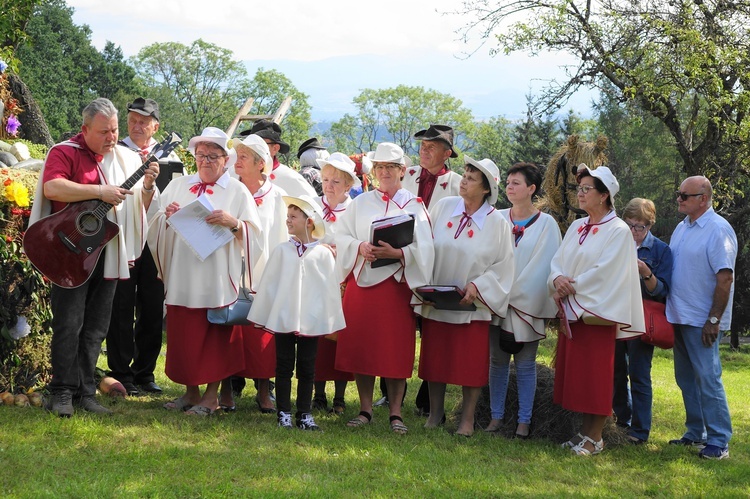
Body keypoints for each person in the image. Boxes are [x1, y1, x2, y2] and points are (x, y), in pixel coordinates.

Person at [29, 97, 159, 416]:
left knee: (96, 327)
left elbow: (135, 210)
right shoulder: (65, 152)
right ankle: (61, 391)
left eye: (115, 130)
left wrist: (148, 186)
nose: (112, 138)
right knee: (69, 324)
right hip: (69, 253)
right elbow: (54, 189)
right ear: (84, 129)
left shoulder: (125, 159)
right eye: (104, 132)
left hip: (107, 251)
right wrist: (99, 192)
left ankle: (86, 392)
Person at [147, 127, 262, 416]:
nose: (206, 161)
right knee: (185, 333)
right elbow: (154, 221)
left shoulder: (237, 191)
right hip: (183, 272)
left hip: (216, 276)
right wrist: (167, 217)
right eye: (200, 155)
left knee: (214, 336)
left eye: (213, 156)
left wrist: (233, 222)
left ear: (225, 159)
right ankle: (190, 392)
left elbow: (256, 235)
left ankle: (212, 398)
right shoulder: (179, 184)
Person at [334, 142, 434, 434]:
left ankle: (395, 412)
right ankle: (365, 408)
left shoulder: (415, 206)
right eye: (379, 167)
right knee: (362, 346)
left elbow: (427, 247)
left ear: (402, 170)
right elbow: (342, 236)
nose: (384, 172)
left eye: (390, 167)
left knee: (394, 349)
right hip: (362, 284)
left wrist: (401, 254)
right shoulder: (361, 202)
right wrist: (360, 246)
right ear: (373, 171)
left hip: (396, 286)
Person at [416, 156, 515, 437]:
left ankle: (467, 420)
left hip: (473, 305)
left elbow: (504, 265)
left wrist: (479, 286)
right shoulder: (444, 207)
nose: (464, 179)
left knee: (470, 366)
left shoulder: (497, 223)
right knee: (436, 360)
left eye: (472, 178)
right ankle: (435, 414)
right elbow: (424, 246)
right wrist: (423, 285)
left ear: (486, 189)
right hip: (438, 299)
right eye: (466, 174)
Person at [550, 164, 645, 455]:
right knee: (579, 376)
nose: (579, 193)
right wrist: (557, 278)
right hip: (574, 310)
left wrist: (572, 287)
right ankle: (583, 434)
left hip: (595, 314)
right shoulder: (579, 227)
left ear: (604, 195)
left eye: (586, 189)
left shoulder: (618, 231)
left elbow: (607, 272)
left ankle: (596, 438)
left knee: (596, 378)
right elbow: (558, 259)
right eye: (579, 188)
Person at [249, 195, 345, 430]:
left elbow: (328, 289)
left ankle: (304, 413)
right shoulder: (282, 251)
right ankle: (283, 412)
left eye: (293, 217)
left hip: (310, 321)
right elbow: (271, 284)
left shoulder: (323, 254)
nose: (288, 221)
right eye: (287, 217)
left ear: (309, 221)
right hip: (284, 318)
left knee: (307, 365)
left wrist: (326, 317)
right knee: (283, 365)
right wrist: (267, 312)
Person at [486, 163, 561, 438]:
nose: (509, 186)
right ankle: (495, 417)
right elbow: (487, 257)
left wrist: (513, 295)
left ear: (531, 189)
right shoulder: (496, 218)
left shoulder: (547, 225)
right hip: (496, 301)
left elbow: (544, 266)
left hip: (524, 305)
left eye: (516, 182)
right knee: (497, 361)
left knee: (526, 363)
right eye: (507, 182)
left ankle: (524, 421)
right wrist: (496, 293)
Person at [666, 176, 736, 460]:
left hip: (703, 321)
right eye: (678, 194)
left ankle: (719, 441)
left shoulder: (718, 229)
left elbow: (725, 278)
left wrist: (714, 320)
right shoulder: (681, 228)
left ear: (703, 199)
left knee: (708, 379)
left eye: (685, 195)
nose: (679, 199)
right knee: (685, 379)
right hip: (680, 316)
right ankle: (697, 433)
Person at [105, 97, 170, 396]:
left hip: (156, 241)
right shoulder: (116, 154)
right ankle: (121, 371)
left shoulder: (170, 158)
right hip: (124, 236)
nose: (137, 125)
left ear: (156, 125)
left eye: (144, 121)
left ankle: (145, 372)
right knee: (121, 304)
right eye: (132, 119)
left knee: (153, 305)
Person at [220, 134, 287, 413]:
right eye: (238, 154)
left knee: (262, 333)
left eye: (244, 156)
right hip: (231, 269)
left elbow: (281, 235)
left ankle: (263, 391)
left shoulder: (277, 196)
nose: (238, 160)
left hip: (264, 272)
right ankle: (225, 390)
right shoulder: (229, 190)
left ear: (261, 164)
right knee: (228, 329)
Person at [399, 124, 463, 415]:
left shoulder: (457, 184)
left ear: (446, 154)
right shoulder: (407, 175)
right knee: (398, 326)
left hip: (437, 263)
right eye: (423, 145)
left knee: (432, 330)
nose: (424, 150)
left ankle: (426, 398)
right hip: (401, 258)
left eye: (431, 147)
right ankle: (391, 394)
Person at [612, 198, 673, 444]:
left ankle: (639, 431)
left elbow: (662, 291)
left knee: (639, 374)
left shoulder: (660, 250)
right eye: (629, 225)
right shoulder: (616, 243)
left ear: (650, 225)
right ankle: (621, 419)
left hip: (642, 319)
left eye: (640, 227)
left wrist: (646, 272)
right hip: (615, 316)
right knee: (616, 372)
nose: (634, 232)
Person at [310, 152, 359, 415]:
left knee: (339, 339)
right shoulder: (313, 205)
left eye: (335, 182)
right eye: (325, 179)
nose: (328, 186)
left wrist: (338, 249)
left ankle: (339, 397)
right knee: (317, 338)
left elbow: (358, 240)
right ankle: (317, 394)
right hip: (316, 280)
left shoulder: (355, 210)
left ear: (349, 185)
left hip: (343, 283)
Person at [238, 119, 317, 198]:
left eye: (261, 144)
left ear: (275, 149)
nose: (253, 148)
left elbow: (314, 206)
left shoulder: (290, 178)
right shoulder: (234, 172)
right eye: (249, 144)